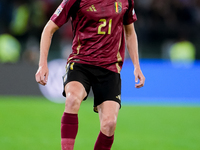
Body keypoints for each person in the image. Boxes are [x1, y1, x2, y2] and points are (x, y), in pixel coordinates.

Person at [35, 0, 145, 149]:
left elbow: (130, 32)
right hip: (81, 63)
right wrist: (42, 64)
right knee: (72, 99)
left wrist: (136, 66)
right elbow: (49, 28)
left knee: (109, 124)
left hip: (109, 68)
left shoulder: (126, 1)